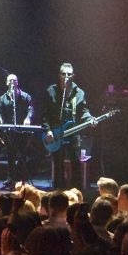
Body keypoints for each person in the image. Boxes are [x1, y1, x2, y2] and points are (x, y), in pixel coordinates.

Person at [42, 62, 94, 191]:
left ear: (73, 76)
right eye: (63, 74)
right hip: (56, 133)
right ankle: (58, 193)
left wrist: (90, 119)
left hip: (72, 133)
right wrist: (48, 130)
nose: (66, 77)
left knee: (75, 164)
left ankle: (76, 193)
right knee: (58, 165)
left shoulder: (79, 93)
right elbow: (44, 114)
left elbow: (84, 111)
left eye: (69, 74)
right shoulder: (51, 91)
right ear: (59, 75)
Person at [0, 74, 35, 188]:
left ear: (17, 82)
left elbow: (31, 109)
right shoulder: (3, 98)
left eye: (14, 80)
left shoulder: (25, 96)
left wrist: (28, 118)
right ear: (6, 83)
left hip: (23, 132)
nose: (12, 82)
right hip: (9, 131)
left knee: (22, 154)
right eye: (10, 80)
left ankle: (22, 179)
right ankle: (11, 178)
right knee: (10, 155)